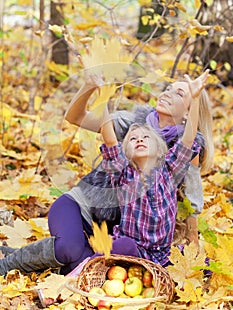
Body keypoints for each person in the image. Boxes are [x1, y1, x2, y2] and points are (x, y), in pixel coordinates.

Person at [0, 70, 213, 276]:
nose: (167, 93)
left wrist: (192, 247)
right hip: (82, 206)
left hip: (111, 231)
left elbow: (192, 197)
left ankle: (31, 260)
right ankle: (10, 262)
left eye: (179, 93)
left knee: (85, 263)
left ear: (188, 111)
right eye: (168, 88)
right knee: (70, 249)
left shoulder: (173, 162)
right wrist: (95, 89)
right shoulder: (130, 131)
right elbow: (91, 127)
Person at [97, 68, 207, 265]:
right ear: (126, 150)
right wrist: (102, 97)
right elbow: (110, 139)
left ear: (159, 147)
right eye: (133, 139)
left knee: (201, 265)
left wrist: (196, 98)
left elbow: (188, 139)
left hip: (162, 254)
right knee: (116, 247)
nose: (139, 140)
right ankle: (77, 275)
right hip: (132, 249)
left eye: (145, 137)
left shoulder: (169, 169)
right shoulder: (122, 171)